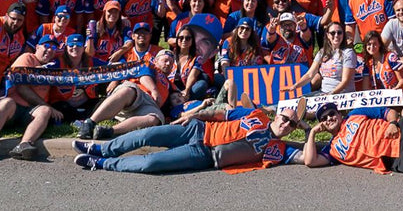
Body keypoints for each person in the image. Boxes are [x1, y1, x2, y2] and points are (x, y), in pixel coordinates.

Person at [73, 103, 303, 174]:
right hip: (197, 130)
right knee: (146, 134)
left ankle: (102, 163)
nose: (286, 123)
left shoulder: (278, 149)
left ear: (294, 129)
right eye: (285, 117)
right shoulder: (256, 115)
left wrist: (310, 130)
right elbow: (220, 113)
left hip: (205, 155)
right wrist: (193, 115)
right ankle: (102, 149)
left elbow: (308, 158)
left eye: (292, 123)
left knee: (151, 163)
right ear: (277, 115)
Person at [303, 101, 403, 177]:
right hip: (395, 157)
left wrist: (393, 123)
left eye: (332, 113)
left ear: (339, 114)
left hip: (401, 130)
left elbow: (388, 112)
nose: (329, 118)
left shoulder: (354, 114)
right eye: (324, 118)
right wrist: (312, 133)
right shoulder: (332, 150)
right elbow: (310, 161)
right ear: (322, 124)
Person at [77, 49, 174, 140]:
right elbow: (143, 76)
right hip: (137, 93)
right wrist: (154, 90)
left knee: (154, 119)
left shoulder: (170, 83)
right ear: (156, 61)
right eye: (165, 60)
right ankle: (89, 123)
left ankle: (108, 131)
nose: (168, 64)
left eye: (171, 62)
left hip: (150, 105)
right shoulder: (149, 65)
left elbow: (180, 97)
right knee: (127, 91)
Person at [1, 35, 61, 160]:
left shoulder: (52, 67)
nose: (50, 50)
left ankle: (24, 145)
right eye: (47, 46)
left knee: (45, 111)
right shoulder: (27, 57)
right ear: (37, 47)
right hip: (13, 108)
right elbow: (21, 88)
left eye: (53, 47)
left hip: (30, 111)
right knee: (7, 103)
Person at [284, 21, 356, 95]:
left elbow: (345, 80)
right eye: (333, 33)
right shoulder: (322, 52)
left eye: (339, 32)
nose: (336, 35)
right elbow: (309, 75)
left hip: (342, 94)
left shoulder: (348, 53)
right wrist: (295, 86)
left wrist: (331, 93)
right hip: (323, 93)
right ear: (328, 35)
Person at [362, 30, 403, 96]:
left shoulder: (390, 57)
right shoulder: (367, 64)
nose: (372, 47)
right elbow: (365, 89)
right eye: (369, 44)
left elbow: (401, 80)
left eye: (375, 44)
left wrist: (393, 91)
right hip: (380, 99)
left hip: (398, 96)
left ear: (379, 44)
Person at [0, 3, 28, 76]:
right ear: (6, 16)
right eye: (13, 18)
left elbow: (12, 60)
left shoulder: (20, 37)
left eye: (19, 20)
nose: (15, 23)